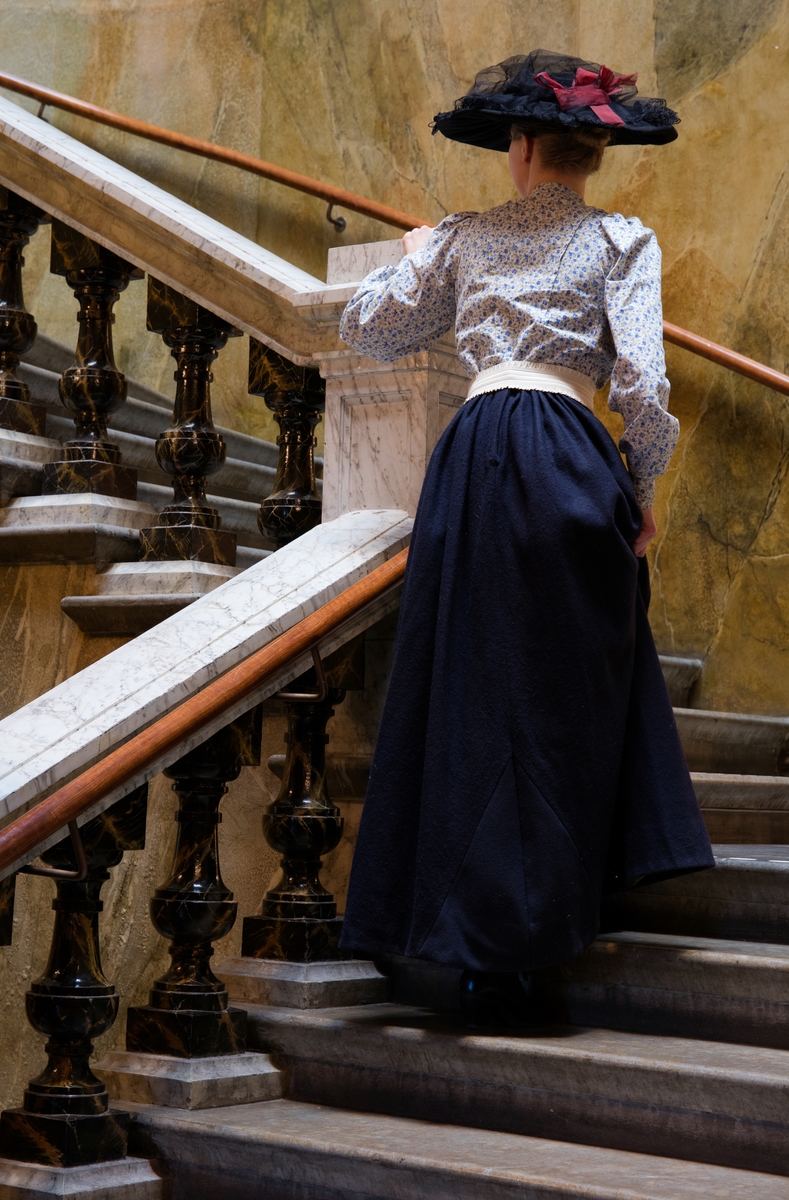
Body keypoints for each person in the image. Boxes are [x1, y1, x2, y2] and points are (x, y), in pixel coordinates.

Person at [337, 50, 714, 1027]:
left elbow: (366, 329)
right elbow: (643, 388)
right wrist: (640, 488)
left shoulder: (461, 239)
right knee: (562, 690)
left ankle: (480, 948)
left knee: (473, 689)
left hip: (476, 458)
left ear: (518, 147)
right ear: (595, 153)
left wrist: (415, 253)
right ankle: (553, 916)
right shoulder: (621, 240)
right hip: (571, 460)